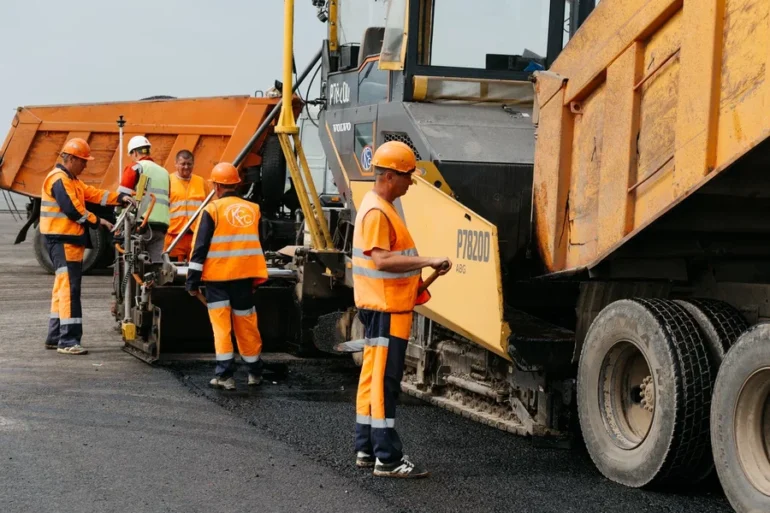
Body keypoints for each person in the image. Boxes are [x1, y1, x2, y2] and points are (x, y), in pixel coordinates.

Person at [351, 140, 452, 478]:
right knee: (385, 382)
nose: (411, 182)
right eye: (409, 176)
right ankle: (388, 459)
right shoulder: (379, 211)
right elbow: (381, 260)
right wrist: (428, 260)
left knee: (372, 379)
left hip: (385, 307)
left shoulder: (377, 205)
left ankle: (366, 449)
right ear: (390, 176)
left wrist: (422, 278)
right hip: (387, 311)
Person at [41, 138, 134, 355]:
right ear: (71, 159)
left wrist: (119, 198)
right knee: (69, 291)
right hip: (63, 241)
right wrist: (97, 221)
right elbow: (72, 210)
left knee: (61, 290)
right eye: (83, 161)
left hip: (67, 242)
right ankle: (68, 341)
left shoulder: (72, 180)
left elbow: (94, 194)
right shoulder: (59, 179)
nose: (85, 165)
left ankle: (55, 337)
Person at [185, 162, 267, 390]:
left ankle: (225, 376)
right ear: (237, 184)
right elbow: (258, 244)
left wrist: (192, 282)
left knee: (222, 327)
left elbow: (199, 249)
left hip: (217, 281)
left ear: (216, 186)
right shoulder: (253, 209)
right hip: (244, 279)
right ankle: (254, 373)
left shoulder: (212, 210)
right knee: (247, 325)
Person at [118, 135, 170, 266]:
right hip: (161, 226)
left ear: (134, 152)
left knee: (134, 265)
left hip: (142, 224)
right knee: (155, 264)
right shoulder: (164, 172)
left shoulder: (136, 167)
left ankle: (139, 285)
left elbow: (121, 197)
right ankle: (151, 285)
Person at [164, 149, 211, 261]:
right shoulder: (168, 181)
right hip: (174, 236)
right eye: (182, 164)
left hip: (195, 235)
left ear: (193, 164)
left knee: (195, 269)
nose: (186, 167)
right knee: (173, 272)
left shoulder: (201, 182)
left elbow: (208, 208)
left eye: (189, 164)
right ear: (176, 164)